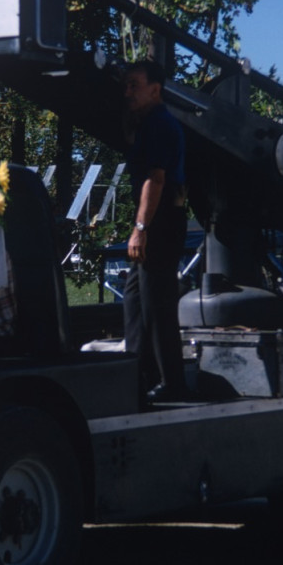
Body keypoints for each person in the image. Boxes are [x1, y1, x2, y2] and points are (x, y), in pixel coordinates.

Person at [121, 59, 189, 403]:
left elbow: (156, 179)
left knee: (157, 304)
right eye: (127, 85)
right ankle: (136, 376)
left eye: (135, 85)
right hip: (152, 222)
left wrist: (141, 228)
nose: (128, 91)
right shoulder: (146, 124)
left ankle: (171, 382)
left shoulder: (161, 124)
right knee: (134, 300)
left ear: (155, 89)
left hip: (160, 223)